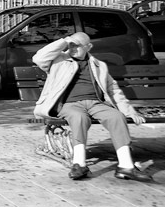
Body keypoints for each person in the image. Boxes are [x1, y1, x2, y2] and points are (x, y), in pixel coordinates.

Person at [32, 31, 151, 182]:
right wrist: (64, 41)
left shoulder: (99, 65)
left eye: (77, 46)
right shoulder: (59, 60)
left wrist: (128, 111)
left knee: (116, 117)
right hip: (70, 104)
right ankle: (79, 164)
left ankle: (126, 167)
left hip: (96, 103)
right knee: (79, 117)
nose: (72, 48)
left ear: (89, 47)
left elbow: (113, 90)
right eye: (71, 46)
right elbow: (38, 58)